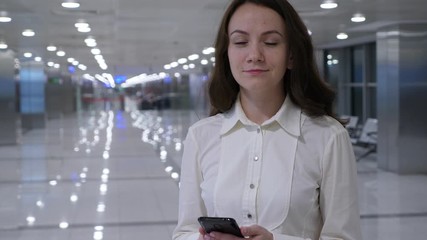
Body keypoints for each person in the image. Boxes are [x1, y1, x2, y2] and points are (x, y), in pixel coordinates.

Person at [173, 0, 362, 239]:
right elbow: (184, 232)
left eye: (271, 42)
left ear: (291, 55)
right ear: (226, 54)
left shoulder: (328, 136)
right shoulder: (201, 135)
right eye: (240, 42)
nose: (254, 55)